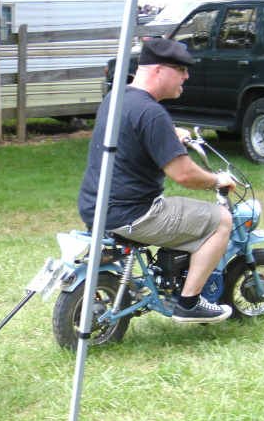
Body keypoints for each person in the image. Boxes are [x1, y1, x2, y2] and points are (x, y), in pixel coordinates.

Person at [77, 37, 236, 323]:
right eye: (181, 69)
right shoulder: (151, 112)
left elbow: (133, 129)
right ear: (159, 70)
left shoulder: (117, 97)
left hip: (95, 208)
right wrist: (217, 180)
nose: (186, 76)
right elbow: (184, 175)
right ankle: (188, 304)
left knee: (191, 216)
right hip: (136, 213)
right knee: (221, 219)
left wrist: (170, 131)